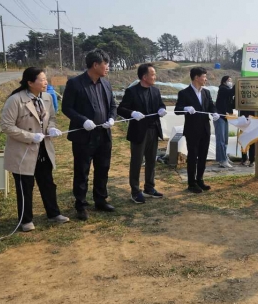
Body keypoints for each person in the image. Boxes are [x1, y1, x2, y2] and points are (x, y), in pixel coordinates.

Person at [0, 67, 69, 231]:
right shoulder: (15, 100)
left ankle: (53, 213)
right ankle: (25, 220)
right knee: (25, 186)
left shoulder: (47, 97)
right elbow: (6, 126)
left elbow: (51, 118)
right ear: (30, 82)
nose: (46, 82)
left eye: (46, 79)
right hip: (23, 150)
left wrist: (51, 128)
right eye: (42, 79)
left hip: (43, 148)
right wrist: (30, 136)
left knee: (47, 183)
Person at [62, 49, 117, 220]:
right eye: (105, 64)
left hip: (104, 134)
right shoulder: (75, 83)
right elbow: (67, 108)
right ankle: (81, 205)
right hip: (83, 136)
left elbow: (113, 105)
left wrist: (112, 118)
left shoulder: (105, 83)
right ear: (95, 65)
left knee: (103, 168)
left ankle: (100, 199)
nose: (108, 67)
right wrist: (83, 120)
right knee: (82, 171)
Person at [117, 63, 167, 204]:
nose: (155, 77)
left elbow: (161, 104)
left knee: (151, 160)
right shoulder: (132, 91)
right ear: (144, 77)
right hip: (139, 132)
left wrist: (162, 109)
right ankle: (135, 191)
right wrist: (132, 113)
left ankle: (149, 188)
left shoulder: (155, 91)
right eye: (152, 74)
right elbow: (121, 109)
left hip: (154, 130)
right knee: (137, 161)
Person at [174, 67, 219, 193]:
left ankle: (200, 180)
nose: (206, 79)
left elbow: (211, 106)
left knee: (203, 156)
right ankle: (191, 183)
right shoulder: (184, 93)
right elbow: (177, 110)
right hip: (192, 130)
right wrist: (185, 108)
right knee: (193, 156)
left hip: (205, 129)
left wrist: (214, 113)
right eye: (204, 77)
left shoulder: (206, 92)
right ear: (196, 77)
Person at [215, 75, 235, 168]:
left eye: (231, 80)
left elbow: (232, 104)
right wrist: (239, 83)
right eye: (229, 80)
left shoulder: (227, 91)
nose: (230, 82)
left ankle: (224, 157)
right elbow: (231, 92)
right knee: (221, 140)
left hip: (225, 116)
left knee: (225, 139)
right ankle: (222, 160)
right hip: (219, 116)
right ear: (224, 82)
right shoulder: (223, 89)